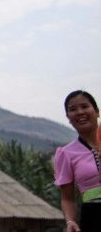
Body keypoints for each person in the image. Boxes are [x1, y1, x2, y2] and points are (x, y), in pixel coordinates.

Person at [54, 90, 100, 232]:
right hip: (94, 219)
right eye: (73, 110)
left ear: (97, 111)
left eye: (85, 106)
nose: (80, 112)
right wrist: (70, 221)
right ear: (68, 118)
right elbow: (67, 198)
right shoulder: (66, 154)